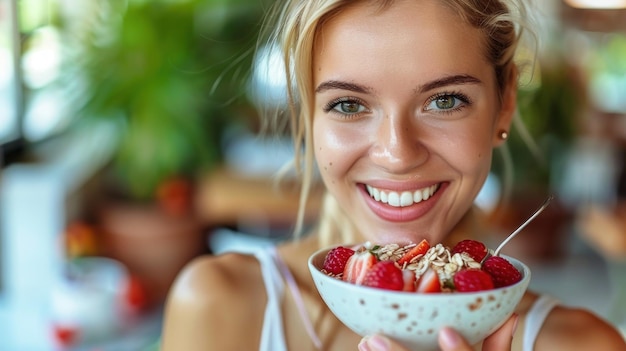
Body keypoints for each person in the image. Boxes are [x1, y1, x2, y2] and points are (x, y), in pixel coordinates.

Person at [160, 0, 626, 350]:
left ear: (504, 104)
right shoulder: (219, 309)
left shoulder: (583, 345)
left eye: (445, 101)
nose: (397, 154)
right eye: (348, 104)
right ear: (309, 121)